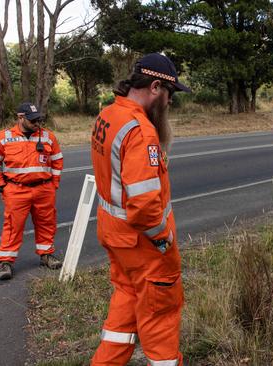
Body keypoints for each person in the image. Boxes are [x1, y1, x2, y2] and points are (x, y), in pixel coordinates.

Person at [90, 53, 191, 366]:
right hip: (144, 247)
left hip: (116, 238)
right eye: (170, 95)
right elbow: (145, 206)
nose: (170, 103)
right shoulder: (141, 131)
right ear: (156, 87)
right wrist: (164, 241)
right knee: (160, 316)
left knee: (124, 309)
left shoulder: (108, 115)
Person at [0, 102, 63, 280]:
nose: (37, 123)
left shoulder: (48, 137)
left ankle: (46, 255)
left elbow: (57, 160)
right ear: (21, 118)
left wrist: (54, 184)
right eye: (33, 120)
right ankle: (6, 262)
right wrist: (1, 186)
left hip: (44, 190)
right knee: (13, 227)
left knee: (47, 224)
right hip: (16, 191)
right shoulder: (4, 137)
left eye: (39, 119)